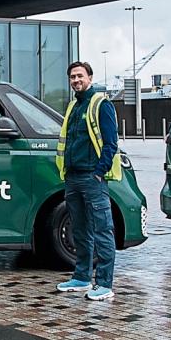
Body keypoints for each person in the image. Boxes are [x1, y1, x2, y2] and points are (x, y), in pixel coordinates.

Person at [54, 61, 121, 301]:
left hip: (92, 177)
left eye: (79, 76)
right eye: (72, 77)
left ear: (89, 78)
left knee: (103, 229)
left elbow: (111, 143)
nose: (75, 80)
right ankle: (82, 278)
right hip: (72, 177)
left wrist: (99, 172)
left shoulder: (101, 104)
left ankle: (104, 283)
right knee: (80, 230)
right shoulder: (73, 106)